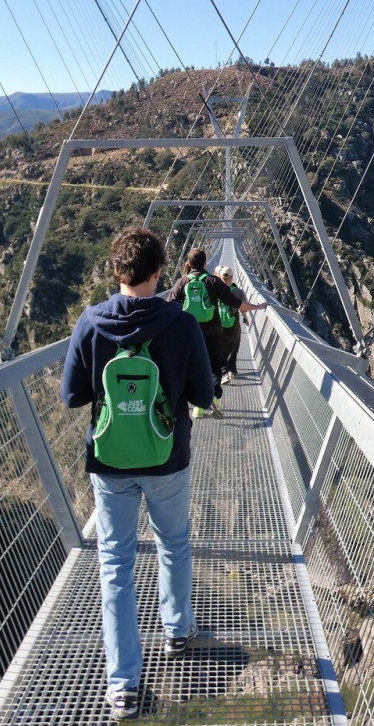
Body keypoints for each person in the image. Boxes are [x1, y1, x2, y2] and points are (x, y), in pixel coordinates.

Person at [60, 227, 213, 720]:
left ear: (115, 271)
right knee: (173, 543)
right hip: (167, 459)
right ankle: (177, 630)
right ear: (158, 272)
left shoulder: (90, 322)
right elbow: (205, 396)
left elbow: (72, 396)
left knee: (115, 566)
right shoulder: (182, 323)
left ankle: (123, 685)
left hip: (109, 464)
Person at [168, 249, 267, 417]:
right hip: (213, 333)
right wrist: (258, 307)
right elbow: (236, 303)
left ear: (189, 263)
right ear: (205, 262)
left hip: (190, 332)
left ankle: (198, 407)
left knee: (194, 367)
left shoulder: (182, 281)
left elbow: (169, 306)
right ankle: (214, 398)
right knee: (214, 367)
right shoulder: (213, 281)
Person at [216, 265, 249, 384]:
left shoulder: (216, 290)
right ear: (232, 277)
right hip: (234, 324)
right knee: (234, 346)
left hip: (219, 324)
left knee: (222, 348)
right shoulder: (238, 291)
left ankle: (223, 372)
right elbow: (244, 308)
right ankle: (232, 371)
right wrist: (246, 319)